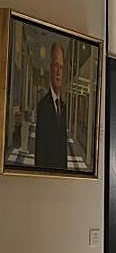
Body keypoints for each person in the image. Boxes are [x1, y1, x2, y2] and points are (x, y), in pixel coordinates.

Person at [34, 42, 69, 170]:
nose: (58, 72)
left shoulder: (64, 107)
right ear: (50, 68)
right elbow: (39, 152)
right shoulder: (43, 106)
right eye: (55, 66)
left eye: (61, 67)